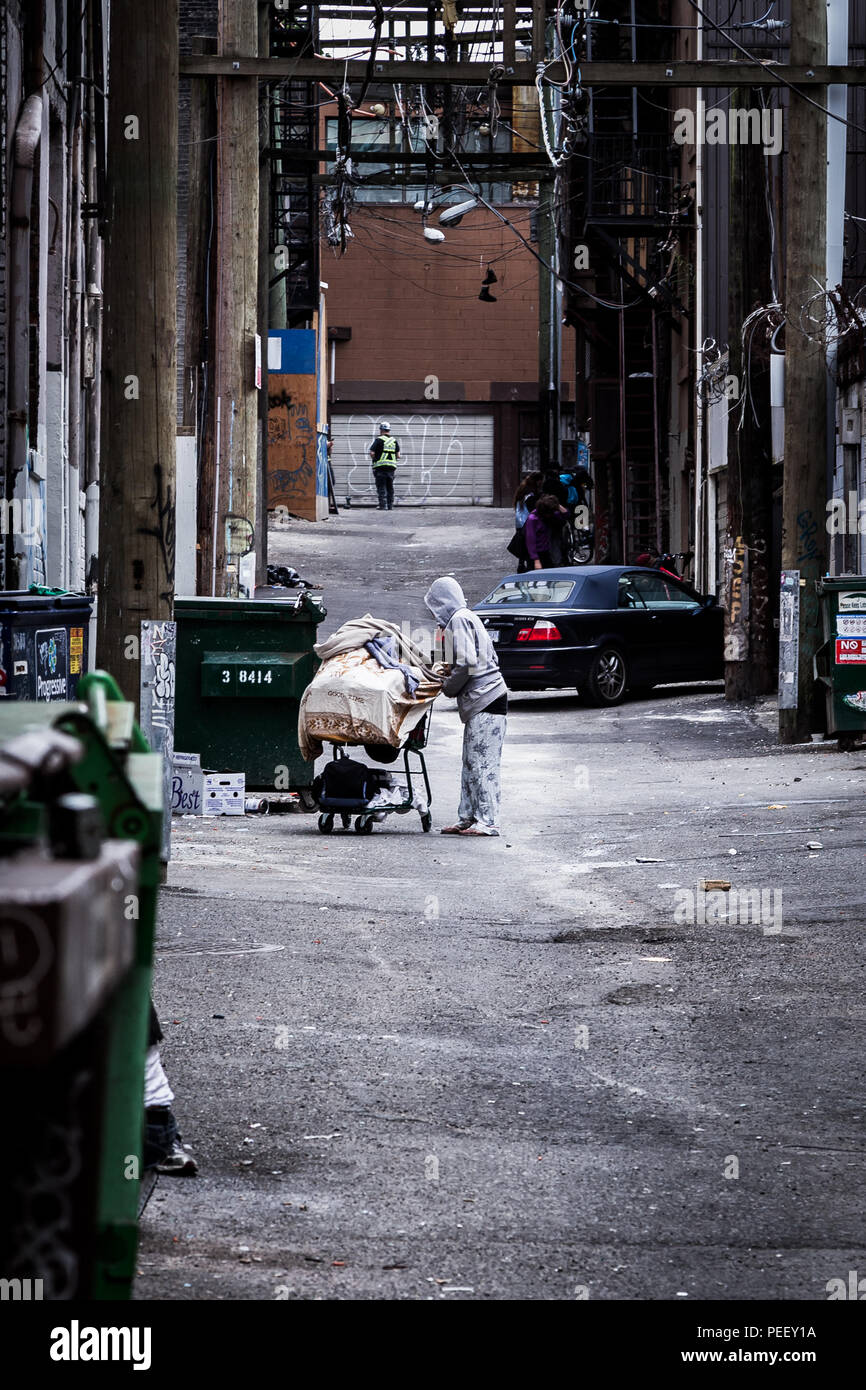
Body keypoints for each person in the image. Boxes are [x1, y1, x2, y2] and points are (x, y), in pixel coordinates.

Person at [424, 576, 508, 837]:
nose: (435, 612)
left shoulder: (459, 619)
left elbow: (467, 663)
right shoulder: (465, 617)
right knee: (471, 761)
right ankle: (468, 817)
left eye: (435, 605)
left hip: (487, 697)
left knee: (483, 762)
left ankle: (488, 821)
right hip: (484, 698)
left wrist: (448, 686)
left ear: (442, 602)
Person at [525, 493, 568, 570]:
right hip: (537, 554)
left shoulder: (549, 514)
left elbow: (565, 515)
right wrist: (536, 560)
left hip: (546, 552)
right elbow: (530, 541)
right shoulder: (533, 519)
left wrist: (557, 505)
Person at [369, 421, 400, 510]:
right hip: (391, 468)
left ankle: (383, 505)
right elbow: (398, 455)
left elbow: (372, 453)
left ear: (381, 430)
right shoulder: (394, 441)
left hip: (380, 467)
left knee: (381, 486)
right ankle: (390, 505)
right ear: (389, 430)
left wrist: (375, 459)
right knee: (390, 487)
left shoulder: (379, 440)